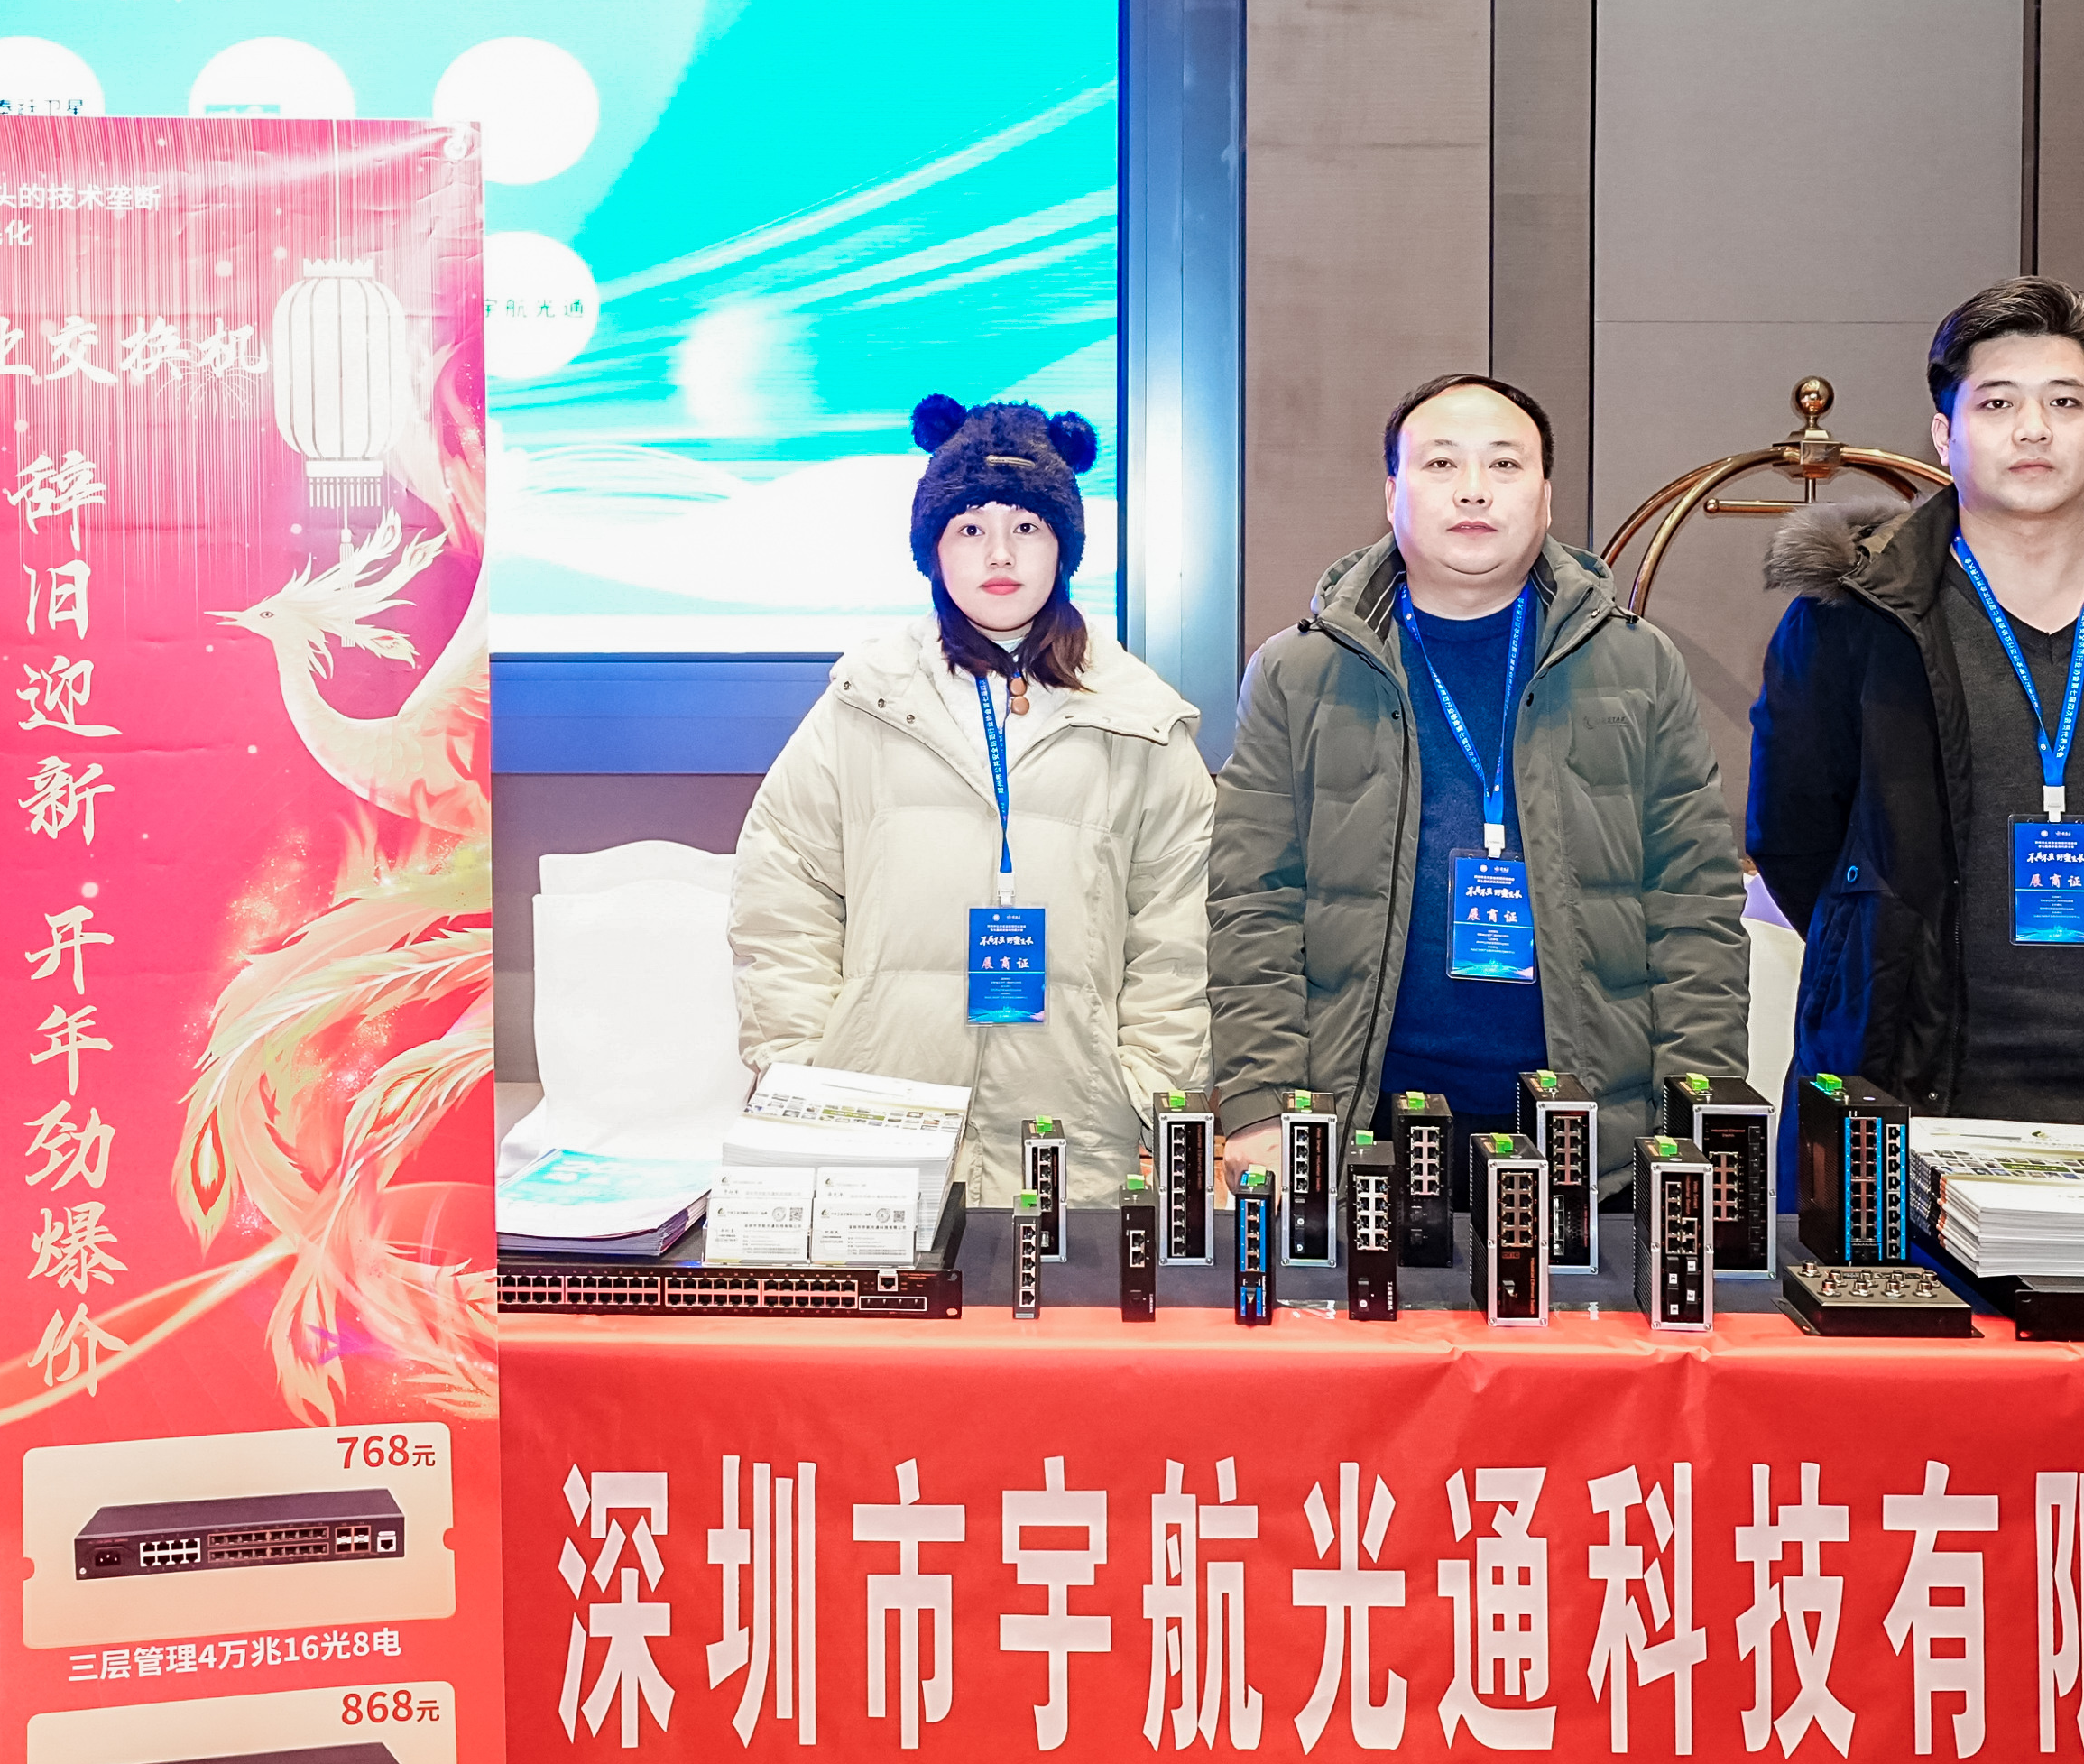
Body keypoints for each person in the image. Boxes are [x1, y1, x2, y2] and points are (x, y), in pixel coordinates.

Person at [1744, 276, 2084, 1135]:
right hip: (1910, 1087)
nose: (2034, 429)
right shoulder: (1857, 617)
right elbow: (1794, 837)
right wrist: (1891, 951)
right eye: (1997, 403)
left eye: (2064, 401)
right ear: (1944, 434)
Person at [1211, 372, 1747, 1187]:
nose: (1472, 490)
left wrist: (1699, 1110)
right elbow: (1256, 904)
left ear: (1546, 496)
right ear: (1391, 493)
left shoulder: (1637, 665)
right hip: (1363, 1129)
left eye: (1504, 464)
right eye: (1439, 464)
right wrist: (1261, 1104)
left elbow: (1693, 904)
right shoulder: (1300, 671)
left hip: (1594, 1139)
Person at [729, 395, 1213, 1192]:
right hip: (878, 1127)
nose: (1000, 554)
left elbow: (1179, 930)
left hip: (1077, 1137)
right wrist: (806, 1068)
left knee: (1061, 1279)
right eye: (969, 528)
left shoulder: (1141, 720)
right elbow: (783, 893)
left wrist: (1146, 1088)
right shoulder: (864, 702)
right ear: (933, 549)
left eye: (1026, 526)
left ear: (1064, 546)